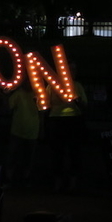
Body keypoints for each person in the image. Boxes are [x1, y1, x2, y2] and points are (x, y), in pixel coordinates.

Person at [47, 62, 88, 193]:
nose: (72, 73)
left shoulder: (77, 86)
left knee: (74, 152)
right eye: (70, 70)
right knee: (57, 152)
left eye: (74, 70)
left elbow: (85, 105)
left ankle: (72, 184)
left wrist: (77, 100)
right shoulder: (52, 86)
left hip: (73, 121)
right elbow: (44, 103)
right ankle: (58, 183)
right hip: (57, 121)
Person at [5, 84, 40, 188]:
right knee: (13, 156)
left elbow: (44, 111)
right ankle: (9, 179)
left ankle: (24, 180)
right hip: (17, 131)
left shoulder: (39, 94)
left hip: (32, 131)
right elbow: (8, 107)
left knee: (27, 158)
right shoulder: (18, 94)